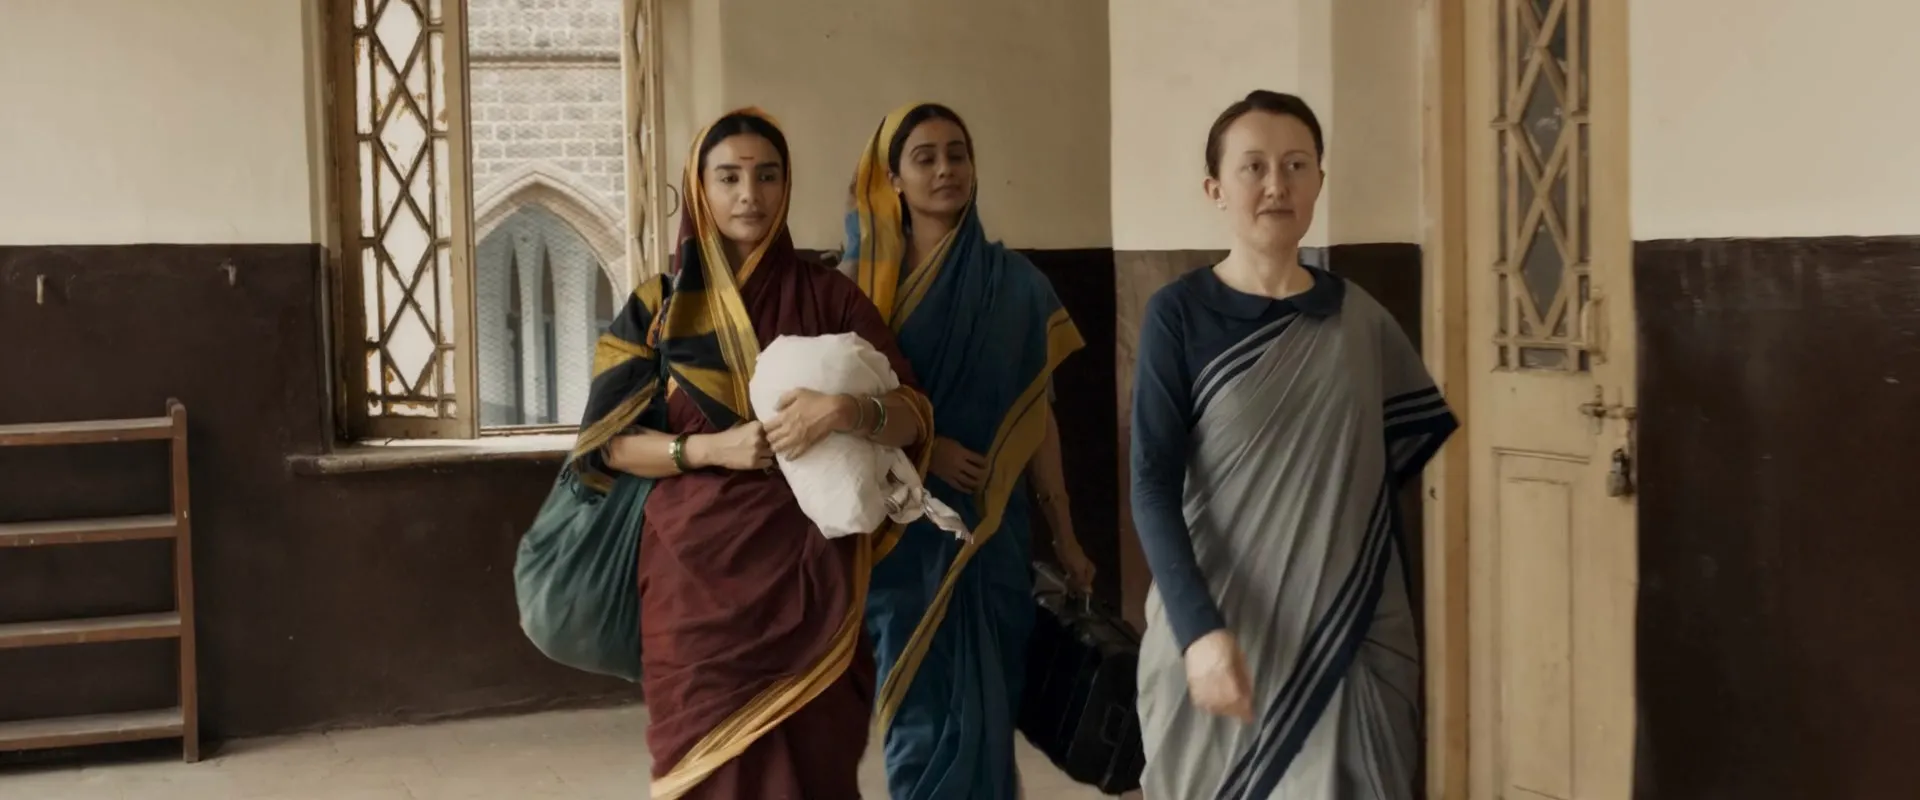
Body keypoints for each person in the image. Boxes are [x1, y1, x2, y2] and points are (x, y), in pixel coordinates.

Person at [577, 107, 934, 800]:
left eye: (767, 176)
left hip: (812, 580)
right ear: (700, 189)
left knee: (813, 766)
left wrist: (846, 410)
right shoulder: (657, 308)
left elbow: (913, 417)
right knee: (706, 768)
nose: (750, 195)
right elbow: (609, 444)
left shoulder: (829, 297)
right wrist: (710, 448)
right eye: (729, 177)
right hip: (692, 584)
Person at [1129, 90, 1458, 799]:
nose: (1276, 184)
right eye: (1253, 167)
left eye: (1296, 165)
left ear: (1318, 182)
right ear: (1216, 189)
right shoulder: (1177, 316)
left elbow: (1378, 486)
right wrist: (1198, 632)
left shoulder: (1361, 321)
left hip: (1350, 641)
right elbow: (1152, 486)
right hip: (1222, 634)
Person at [842, 102, 1098, 799]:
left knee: (987, 714)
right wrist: (929, 453)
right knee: (918, 715)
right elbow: (839, 422)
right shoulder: (861, 287)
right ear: (893, 178)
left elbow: (1038, 419)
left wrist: (1066, 536)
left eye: (957, 154)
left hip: (992, 535)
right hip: (902, 538)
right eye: (924, 157)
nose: (945, 169)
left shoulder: (1016, 285)